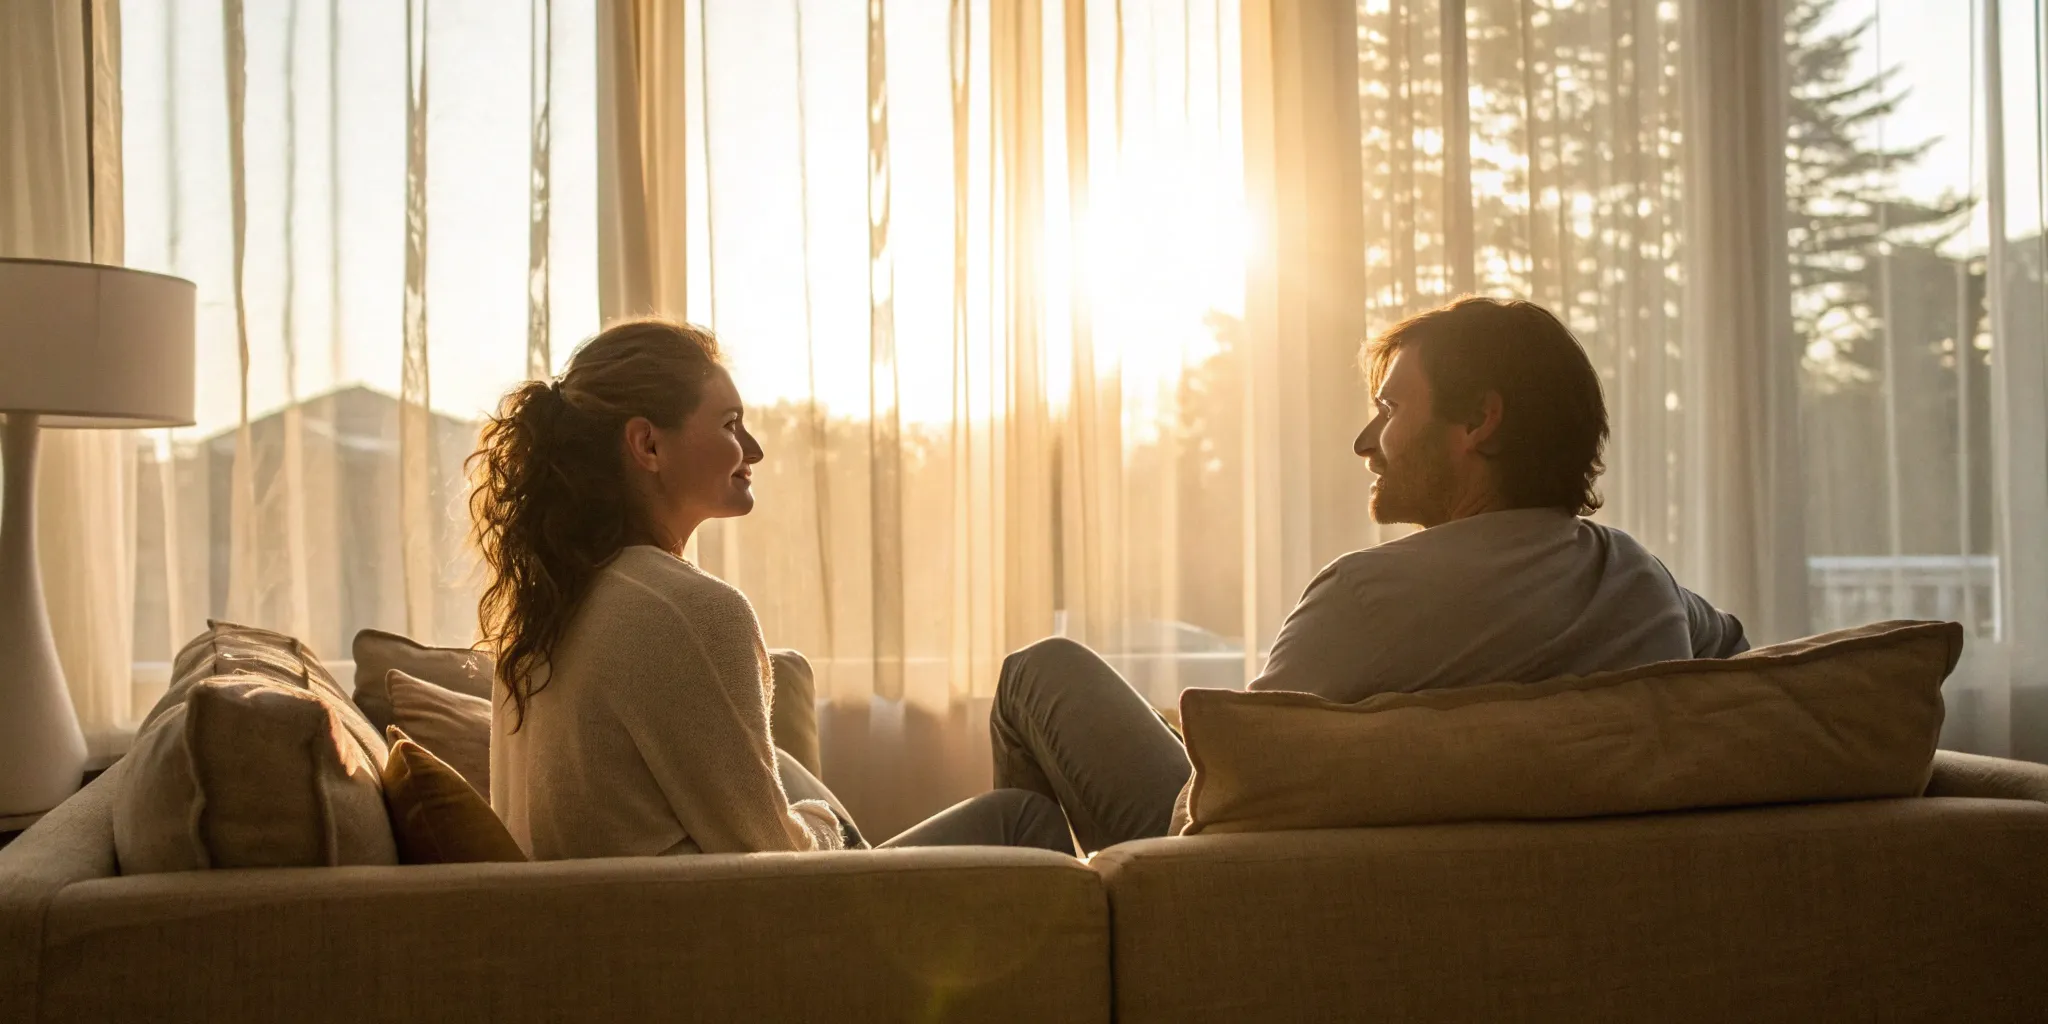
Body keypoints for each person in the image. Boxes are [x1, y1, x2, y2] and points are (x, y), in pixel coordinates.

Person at [988, 296, 1752, 855]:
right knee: (1019, 821)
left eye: (1389, 408)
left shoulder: (1365, 597)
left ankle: (1012, 925)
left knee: (1039, 672)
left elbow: (1212, 811)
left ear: (1478, 422)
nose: (1365, 440)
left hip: (1201, 883)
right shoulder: (1643, 584)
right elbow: (1747, 669)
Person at [471, 318, 1072, 859]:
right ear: (648, 444)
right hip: (747, 932)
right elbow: (774, 864)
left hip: (614, 930)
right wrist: (827, 825)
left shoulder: (537, 619)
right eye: (730, 424)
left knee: (784, 766)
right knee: (1022, 817)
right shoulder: (689, 610)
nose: (754, 449)